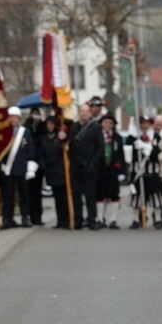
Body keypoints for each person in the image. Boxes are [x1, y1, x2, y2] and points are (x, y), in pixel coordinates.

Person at [70, 99, 104, 230]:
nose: (84, 113)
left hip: (90, 166)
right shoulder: (74, 127)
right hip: (76, 167)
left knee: (90, 195)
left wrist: (93, 163)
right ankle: (77, 220)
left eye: (86, 111)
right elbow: (71, 146)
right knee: (76, 195)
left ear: (90, 113)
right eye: (82, 111)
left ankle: (92, 220)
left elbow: (100, 147)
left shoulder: (95, 127)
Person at [1, 107, 37, 229]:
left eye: (15, 117)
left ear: (19, 119)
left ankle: (25, 217)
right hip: (8, 168)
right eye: (11, 117)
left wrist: (31, 166)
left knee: (24, 195)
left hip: (22, 168)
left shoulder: (25, 132)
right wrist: (2, 163)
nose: (13, 120)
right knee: (7, 196)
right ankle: (7, 219)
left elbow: (31, 149)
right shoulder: (3, 132)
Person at [128, 115, 162, 229]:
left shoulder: (156, 136)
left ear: (150, 124)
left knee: (155, 196)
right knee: (136, 196)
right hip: (138, 171)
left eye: (147, 123)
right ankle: (135, 219)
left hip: (152, 171)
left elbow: (157, 151)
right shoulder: (134, 136)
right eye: (142, 123)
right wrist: (133, 135)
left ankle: (158, 219)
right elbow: (129, 148)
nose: (144, 125)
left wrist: (146, 147)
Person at [95, 114, 126, 229]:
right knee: (100, 194)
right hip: (101, 170)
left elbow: (121, 155)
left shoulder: (117, 137)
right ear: (101, 124)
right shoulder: (97, 136)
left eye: (110, 123)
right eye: (105, 123)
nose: (108, 125)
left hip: (113, 170)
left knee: (114, 194)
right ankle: (100, 218)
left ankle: (113, 219)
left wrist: (122, 171)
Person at [40, 116, 70, 229]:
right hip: (50, 170)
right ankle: (60, 220)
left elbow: (66, 148)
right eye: (48, 124)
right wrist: (43, 166)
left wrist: (64, 138)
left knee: (63, 197)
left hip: (61, 170)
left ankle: (67, 220)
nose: (50, 126)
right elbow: (42, 153)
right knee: (57, 197)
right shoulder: (44, 138)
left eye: (52, 124)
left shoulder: (60, 136)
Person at [24, 108, 46, 226]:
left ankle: (38, 216)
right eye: (34, 114)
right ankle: (30, 215)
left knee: (37, 192)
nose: (36, 117)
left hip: (39, 163)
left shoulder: (42, 127)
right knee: (29, 191)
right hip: (29, 163)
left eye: (37, 114)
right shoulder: (27, 127)